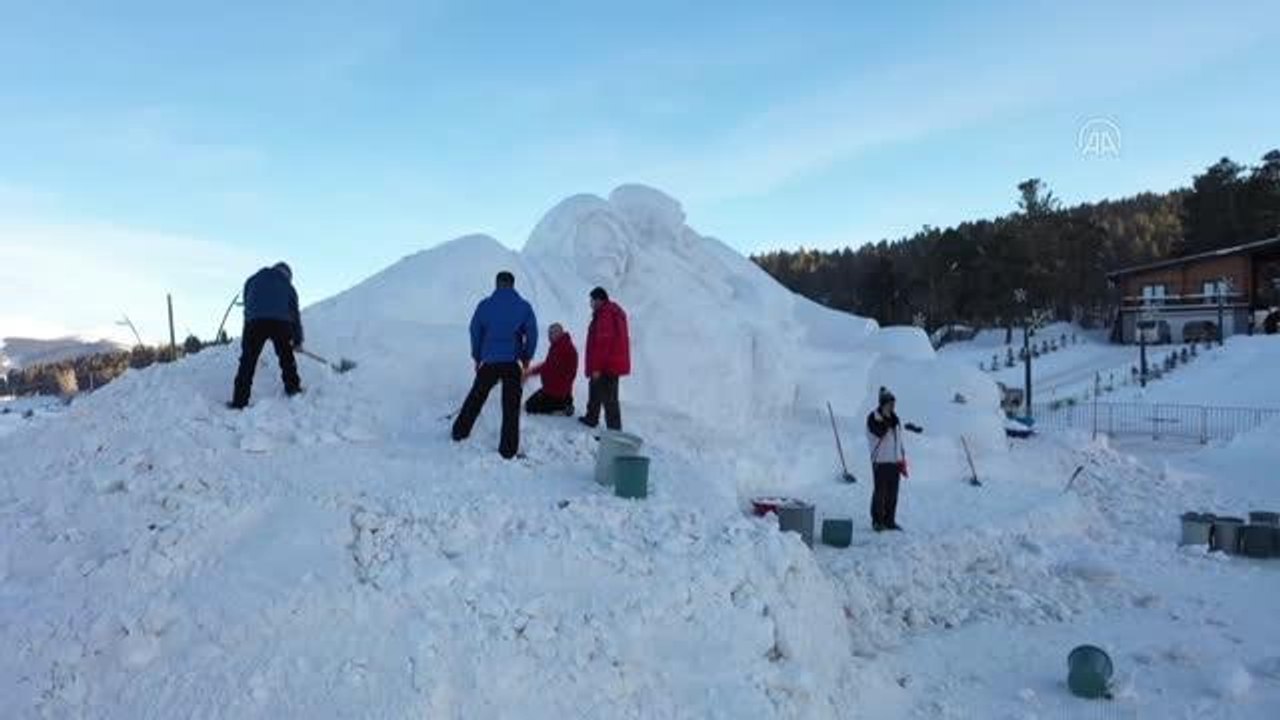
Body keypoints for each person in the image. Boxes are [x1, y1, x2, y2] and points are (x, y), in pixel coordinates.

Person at [451, 271, 538, 459]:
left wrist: (477, 356)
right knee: (511, 406)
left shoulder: (485, 305)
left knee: (476, 397)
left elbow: (475, 330)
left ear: (497, 284)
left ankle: (459, 432)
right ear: (513, 285)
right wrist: (526, 358)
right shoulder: (523, 306)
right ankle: (507, 450)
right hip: (511, 362)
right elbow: (532, 333)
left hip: (489, 361)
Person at [229, 262, 303, 409]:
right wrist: (296, 340)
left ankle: (239, 402)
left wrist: (247, 341)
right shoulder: (288, 286)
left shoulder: (252, 280)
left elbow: (248, 308)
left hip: (254, 322)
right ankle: (293, 389)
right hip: (280, 322)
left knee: (247, 362)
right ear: (287, 275)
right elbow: (294, 315)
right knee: (286, 356)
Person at [579, 287, 630, 430]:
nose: (591, 303)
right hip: (612, 362)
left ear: (599, 300)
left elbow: (603, 343)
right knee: (595, 388)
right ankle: (591, 418)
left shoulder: (605, 314)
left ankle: (614, 431)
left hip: (607, 364)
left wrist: (596, 368)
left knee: (609, 399)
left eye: (592, 300)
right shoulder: (613, 312)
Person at [866, 386, 905, 532]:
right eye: (889, 403)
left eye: (893, 403)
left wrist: (902, 457)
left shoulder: (895, 419)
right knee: (880, 492)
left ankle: (890, 520)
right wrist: (886, 418)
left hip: (894, 461)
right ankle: (877, 521)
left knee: (893, 493)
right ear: (882, 404)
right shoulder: (873, 418)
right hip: (880, 461)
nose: (892, 406)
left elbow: (898, 439)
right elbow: (879, 432)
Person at [523, 323, 578, 416]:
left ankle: (562, 407)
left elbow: (547, 367)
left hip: (556, 392)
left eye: (552, 333)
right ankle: (566, 402)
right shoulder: (560, 345)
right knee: (531, 403)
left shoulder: (562, 347)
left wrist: (530, 372)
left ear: (560, 333)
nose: (549, 336)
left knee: (529, 406)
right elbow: (549, 365)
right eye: (549, 333)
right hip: (556, 389)